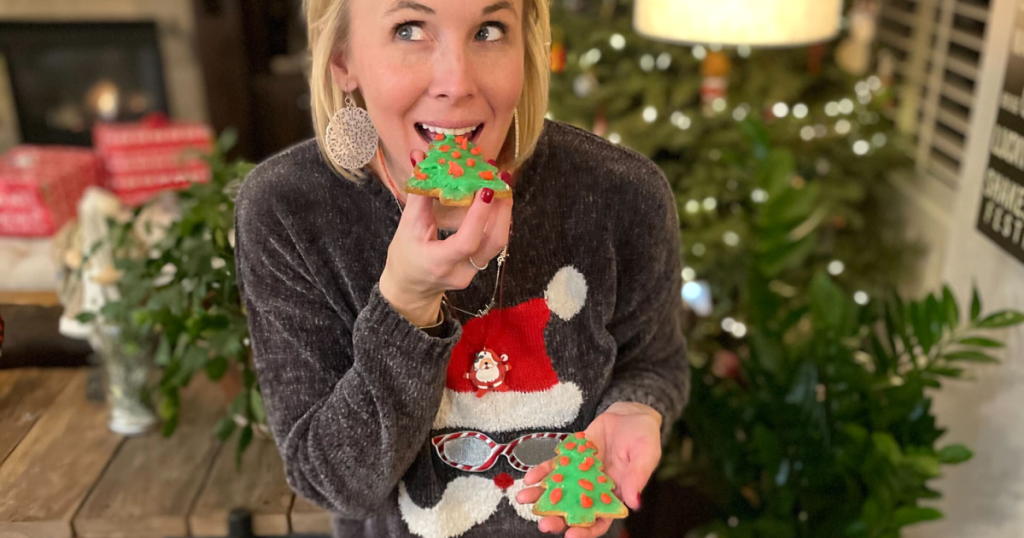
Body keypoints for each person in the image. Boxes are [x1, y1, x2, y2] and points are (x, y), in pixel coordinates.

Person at [233, 0, 689, 536]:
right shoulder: (286, 209)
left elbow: (654, 364)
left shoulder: (623, 194)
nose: (457, 82)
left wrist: (638, 408)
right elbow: (337, 486)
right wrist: (406, 303)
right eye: (409, 30)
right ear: (342, 60)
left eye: (489, 30)